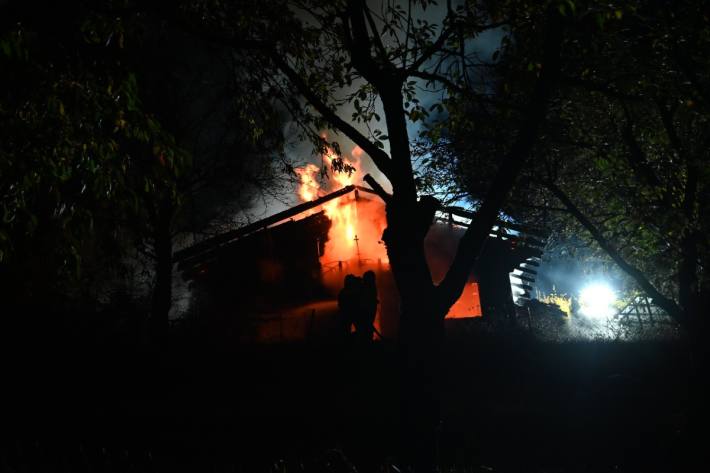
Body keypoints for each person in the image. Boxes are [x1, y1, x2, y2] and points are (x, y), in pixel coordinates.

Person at [337, 274, 362, 341]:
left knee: (346, 330)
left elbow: (340, 304)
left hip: (346, 314)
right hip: (350, 314)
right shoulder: (351, 292)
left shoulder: (343, 292)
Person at [355, 270, 378, 343]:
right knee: (366, 328)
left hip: (367, 311)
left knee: (366, 328)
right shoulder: (370, 287)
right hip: (367, 312)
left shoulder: (367, 287)